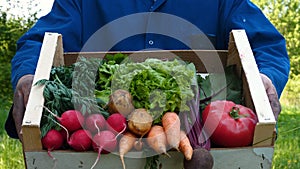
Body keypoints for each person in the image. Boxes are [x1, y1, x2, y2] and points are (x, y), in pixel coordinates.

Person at [6, 0, 289, 141]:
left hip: (196, 136)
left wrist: (264, 79)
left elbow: (267, 46)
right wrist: (29, 74)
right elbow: (40, 41)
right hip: (104, 135)